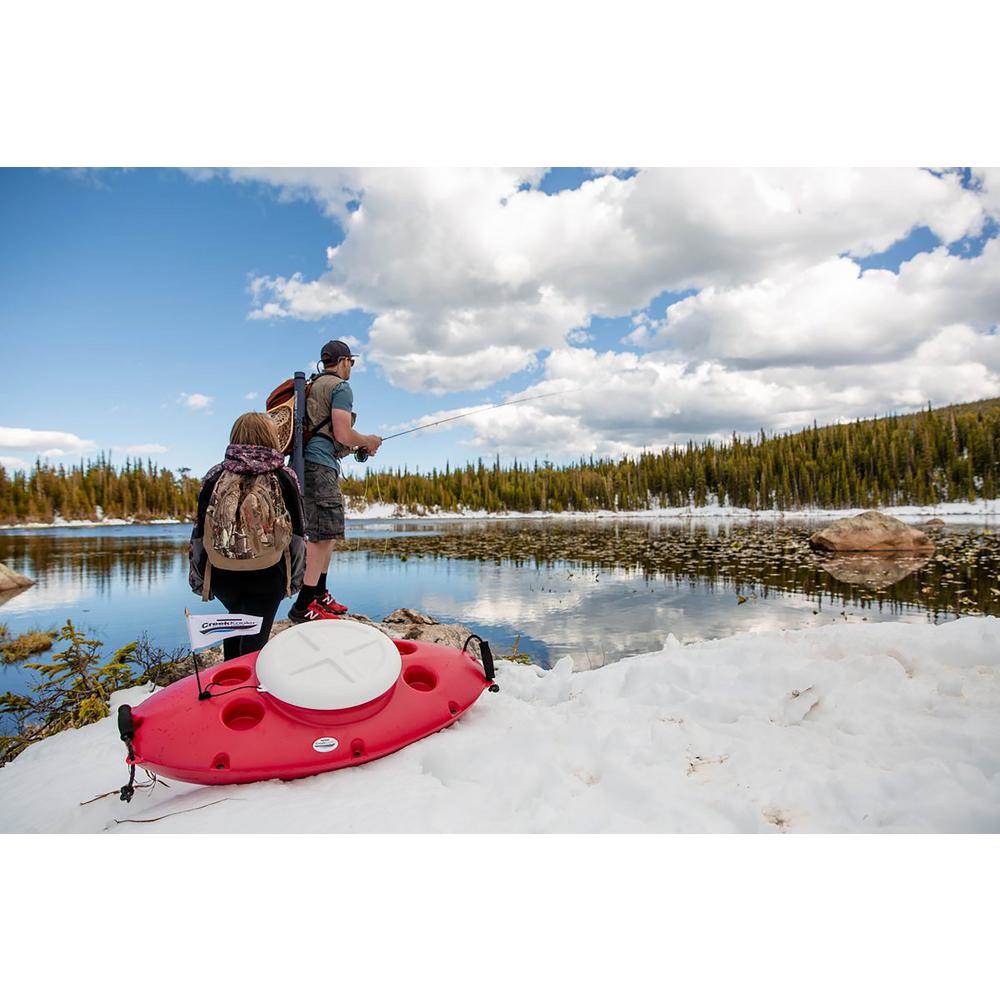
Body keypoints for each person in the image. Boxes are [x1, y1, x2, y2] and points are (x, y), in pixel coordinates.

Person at [189, 412, 306, 660]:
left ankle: (230, 674)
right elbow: (297, 534)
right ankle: (247, 678)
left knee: (236, 622)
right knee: (255, 642)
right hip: (269, 573)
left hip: (222, 574)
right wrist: (295, 580)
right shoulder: (283, 476)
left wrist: (200, 579)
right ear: (271, 437)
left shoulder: (215, 475)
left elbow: (199, 533)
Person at [288, 339, 382, 624]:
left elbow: (328, 434)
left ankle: (319, 595)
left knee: (326, 535)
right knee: (321, 538)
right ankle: (302, 607)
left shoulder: (314, 386)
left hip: (308, 465)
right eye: (350, 362)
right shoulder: (340, 387)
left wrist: (357, 445)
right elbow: (342, 433)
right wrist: (368, 440)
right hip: (319, 468)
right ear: (342, 361)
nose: (350, 367)